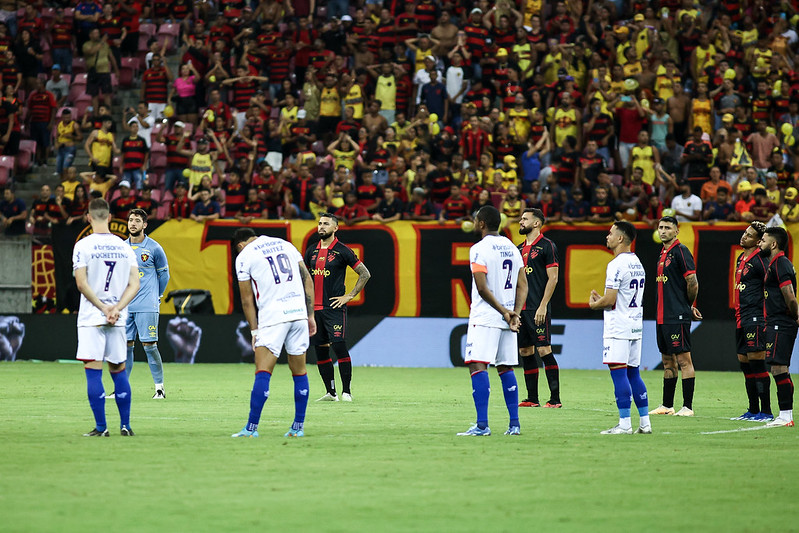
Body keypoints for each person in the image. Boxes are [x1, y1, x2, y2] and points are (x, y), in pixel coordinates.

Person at [230, 227, 316, 438]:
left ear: (240, 246)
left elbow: (246, 299)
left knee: (263, 372)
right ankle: (297, 427)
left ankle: (251, 428)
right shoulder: (286, 245)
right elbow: (307, 280)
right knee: (300, 372)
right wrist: (310, 315)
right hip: (298, 314)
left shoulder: (245, 256)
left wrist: (254, 330)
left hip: (273, 317)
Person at [457, 205, 527, 436]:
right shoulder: (513, 247)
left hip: (486, 316)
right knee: (506, 367)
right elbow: (522, 285)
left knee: (478, 364)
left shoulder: (479, 248)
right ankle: (514, 425)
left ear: (481, 223)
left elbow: (482, 287)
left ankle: (482, 425)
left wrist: (504, 311)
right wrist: (514, 312)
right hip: (507, 319)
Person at [72, 198, 140, 437]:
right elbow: (135, 284)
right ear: (110, 217)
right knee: (119, 369)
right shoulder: (124, 246)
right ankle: (126, 425)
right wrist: (116, 308)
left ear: (88, 217)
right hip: (118, 318)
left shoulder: (83, 245)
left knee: (93, 370)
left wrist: (102, 308)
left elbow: (81, 283)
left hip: (92, 317)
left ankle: (101, 427)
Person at [588, 221, 651, 435]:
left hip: (619, 327)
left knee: (618, 374)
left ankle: (624, 424)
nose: (607, 236)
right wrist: (604, 299)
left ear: (621, 238)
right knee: (634, 373)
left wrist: (596, 303)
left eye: (611, 233)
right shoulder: (637, 262)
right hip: (635, 325)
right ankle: (645, 423)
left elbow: (610, 300)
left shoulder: (616, 264)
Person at [304, 213, 371, 401]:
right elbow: (306, 278)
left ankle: (346, 391)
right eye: (319, 223)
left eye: (326, 224)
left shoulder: (343, 251)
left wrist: (349, 296)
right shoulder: (311, 251)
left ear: (335, 228)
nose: (321, 227)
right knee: (321, 350)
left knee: (339, 347)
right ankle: (331, 392)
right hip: (314, 309)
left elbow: (365, 273)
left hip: (333, 308)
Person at [649, 216, 703, 417]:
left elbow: (692, 281)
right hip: (662, 316)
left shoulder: (681, 251)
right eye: (660, 227)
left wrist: (687, 306)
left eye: (667, 228)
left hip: (677, 315)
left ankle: (687, 407)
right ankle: (667, 405)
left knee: (684, 360)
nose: (663, 231)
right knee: (667, 361)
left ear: (676, 231)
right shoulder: (663, 253)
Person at [516, 208, 561, 408]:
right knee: (525, 351)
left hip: (537, 308)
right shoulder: (518, 249)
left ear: (536, 223)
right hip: (521, 310)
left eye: (525, 219)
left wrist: (543, 306)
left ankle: (555, 399)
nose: (520, 221)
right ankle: (532, 398)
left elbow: (554, 278)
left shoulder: (547, 246)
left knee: (543, 349)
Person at [123, 209, 170, 399]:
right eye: (131, 220)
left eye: (137, 221)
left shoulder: (154, 248)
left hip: (146, 305)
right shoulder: (122, 248)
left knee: (150, 345)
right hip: (126, 305)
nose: (133, 223)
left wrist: (156, 295)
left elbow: (164, 275)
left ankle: (159, 388)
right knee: (125, 346)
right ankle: (121, 389)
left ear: (144, 225)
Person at [730, 222, 772, 422]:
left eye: (749, 235)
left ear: (758, 241)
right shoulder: (741, 257)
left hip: (756, 316)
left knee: (758, 364)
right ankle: (753, 410)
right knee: (745, 365)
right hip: (741, 316)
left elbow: (772, 283)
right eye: (745, 233)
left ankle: (766, 411)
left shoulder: (761, 260)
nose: (744, 236)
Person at [760, 227, 798, 428]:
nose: (760, 243)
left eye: (764, 240)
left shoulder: (781, 263)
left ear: (774, 244)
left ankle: (785, 416)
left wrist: (795, 315)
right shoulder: (775, 263)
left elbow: (789, 295)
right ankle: (785, 415)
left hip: (780, 322)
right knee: (778, 367)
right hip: (775, 321)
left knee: (779, 367)